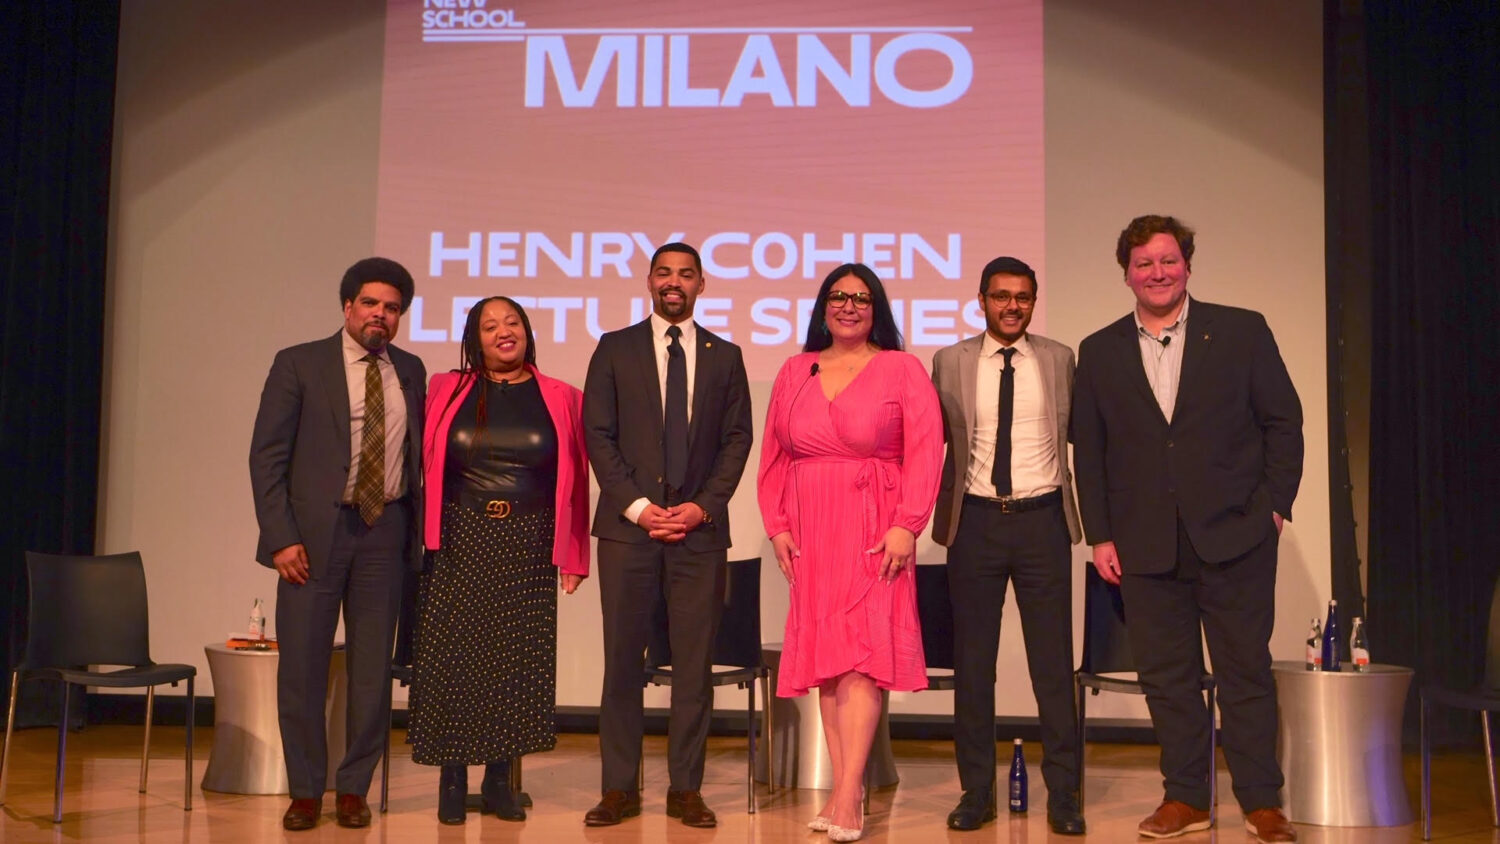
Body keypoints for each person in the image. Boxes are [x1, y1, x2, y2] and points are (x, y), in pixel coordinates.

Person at [1071, 215, 1303, 843]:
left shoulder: (1241, 330)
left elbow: (1284, 422)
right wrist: (1101, 535)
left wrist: (1274, 508)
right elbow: (1090, 453)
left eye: (1168, 260)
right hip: (1144, 545)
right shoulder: (1099, 350)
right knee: (1168, 680)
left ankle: (1262, 802)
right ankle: (1186, 798)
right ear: (1126, 274)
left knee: (1244, 674)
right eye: (1144, 263)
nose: (1158, 273)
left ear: (1188, 266)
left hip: (1236, 537)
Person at [758, 263, 943, 842]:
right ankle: (848, 788)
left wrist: (908, 524)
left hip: (874, 526)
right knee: (828, 661)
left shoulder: (902, 368)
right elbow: (774, 456)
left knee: (862, 656)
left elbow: (925, 449)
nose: (849, 306)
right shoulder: (796, 371)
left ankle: (846, 797)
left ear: (876, 309)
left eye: (861, 299)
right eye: (838, 297)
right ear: (823, 307)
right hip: (812, 531)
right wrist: (777, 525)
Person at [249, 257, 427, 830]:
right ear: (348, 306)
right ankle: (305, 791)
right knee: (302, 668)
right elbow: (267, 457)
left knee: (372, 672)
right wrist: (281, 538)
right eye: (371, 303)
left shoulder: (410, 369)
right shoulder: (299, 363)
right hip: (312, 540)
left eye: (392, 308)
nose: (381, 315)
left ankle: (353, 788)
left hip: (385, 533)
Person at [581, 242, 753, 828]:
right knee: (621, 663)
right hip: (628, 532)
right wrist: (637, 507)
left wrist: (701, 508)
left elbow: (737, 439)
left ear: (702, 284)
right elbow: (597, 434)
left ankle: (686, 789)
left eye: (685, 274)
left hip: (698, 536)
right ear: (649, 281)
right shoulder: (614, 347)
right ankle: (618, 788)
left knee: (694, 667)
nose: (673, 282)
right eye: (664, 273)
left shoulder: (726, 356)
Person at [411, 296, 590, 824]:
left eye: (512, 322)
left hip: (528, 539)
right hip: (459, 535)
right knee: (453, 660)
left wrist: (575, 555)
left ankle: (498, 781)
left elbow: (577, 482)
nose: (503, 332)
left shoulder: (562, 396)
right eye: (489, 326)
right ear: (475, 338)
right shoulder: (446, 388)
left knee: (515, 664)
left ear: (527, 331)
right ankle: (451, 779)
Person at [930, 256, 1085, 835]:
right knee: (974, 666)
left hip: (1043, 521)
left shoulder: (1059, 358)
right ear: (982, 301)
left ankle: (1064, 795)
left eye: (1022, 296)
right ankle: (976, 793)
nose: (1012, 306)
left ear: (1033, 301)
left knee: (1053, 664)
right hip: (974, 523)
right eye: (1001, 296)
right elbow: (929, 441)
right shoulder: (949, 361)